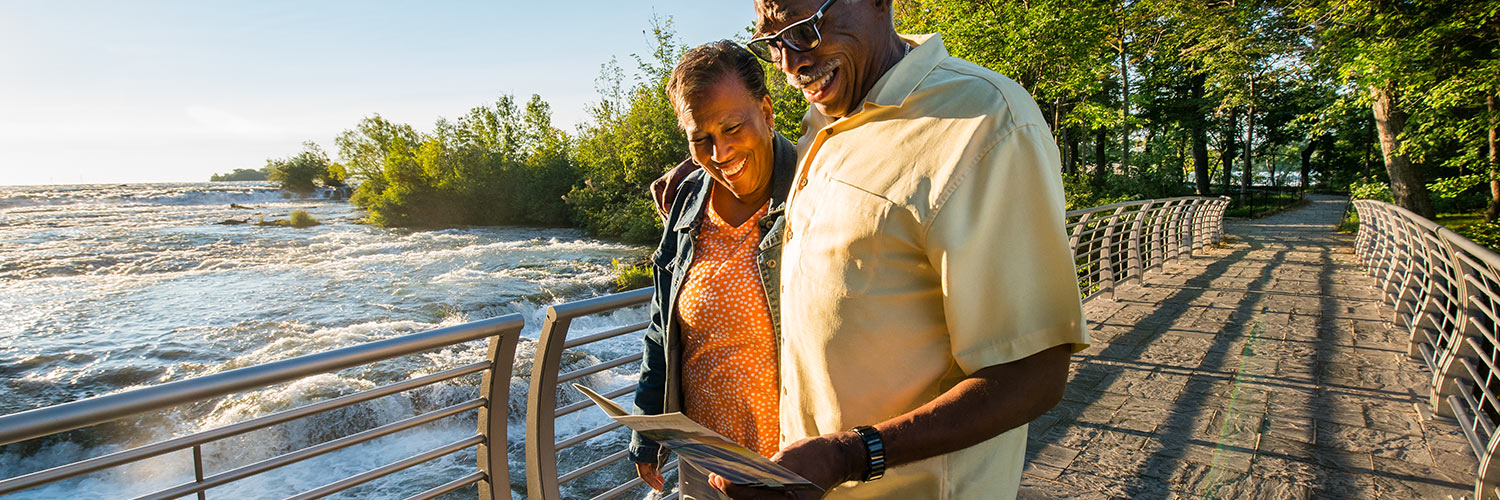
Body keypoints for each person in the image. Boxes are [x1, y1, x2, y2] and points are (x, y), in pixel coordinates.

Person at [704, 0, 1092, 498]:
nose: (790, 62)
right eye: (772, 41)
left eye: (805, 30)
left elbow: (1034, 371)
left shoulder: (988, 123)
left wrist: (847, 455)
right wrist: (701, 180)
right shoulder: (823, 119)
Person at [630, 40, 800, 500]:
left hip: (790, 464)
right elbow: (662, 328)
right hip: (704, 459)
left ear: (766, 110)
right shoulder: (687, 200)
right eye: (700, 138)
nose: (720, 152)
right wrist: (648, 430)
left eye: (732, 127)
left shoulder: (812, 185)